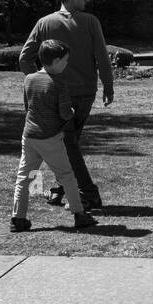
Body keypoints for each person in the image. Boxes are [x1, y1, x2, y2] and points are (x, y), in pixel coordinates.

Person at [18, 0, 113, 210]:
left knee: (66, 144)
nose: (87, 0)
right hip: (84, 93)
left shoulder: (44, 23)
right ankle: (86, 193)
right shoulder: (91, 22)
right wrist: (108, 85)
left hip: (55, 94)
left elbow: (25, 58)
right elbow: (102, 56)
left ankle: (60, 189)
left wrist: (39, 82)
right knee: (68, 143)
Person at [10, 40, 97, 232]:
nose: (67, 64)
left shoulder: (29, 79)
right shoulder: (59, 83)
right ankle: (79, 214)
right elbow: (65, 113)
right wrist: (73, 111)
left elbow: (28, 106)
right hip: (50, 137)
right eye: (65, 60)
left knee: (23, 178)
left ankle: (18, 218)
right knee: (66, 175)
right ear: (56, 61)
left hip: (29, 135)